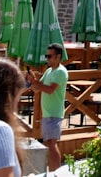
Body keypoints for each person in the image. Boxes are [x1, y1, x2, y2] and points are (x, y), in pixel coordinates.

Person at [26, 42, 68, 171]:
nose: (47, 59)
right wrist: (32, 81)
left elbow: (50, 89)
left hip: (55, 113)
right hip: (47, 113)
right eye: (47, 56)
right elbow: (38, 88)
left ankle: (56, 172)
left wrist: (35, 84)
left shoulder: (61, 72)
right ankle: (50, 170)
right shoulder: (49, 71)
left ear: (58, 57)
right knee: (47, 144)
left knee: (51, 143)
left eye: (50, 56)